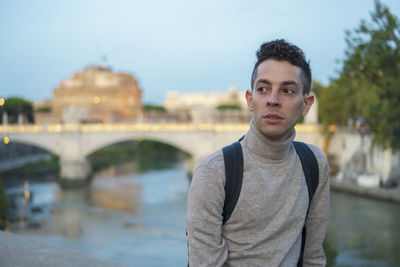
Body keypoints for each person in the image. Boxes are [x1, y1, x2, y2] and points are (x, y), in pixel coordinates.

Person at [186, 39, 330, 266]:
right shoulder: (213, 173)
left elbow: (313, 257)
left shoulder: (315, 164)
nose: (273, 100)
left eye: (287, 90)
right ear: (250, 99)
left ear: (306, 104)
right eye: (263, 89)